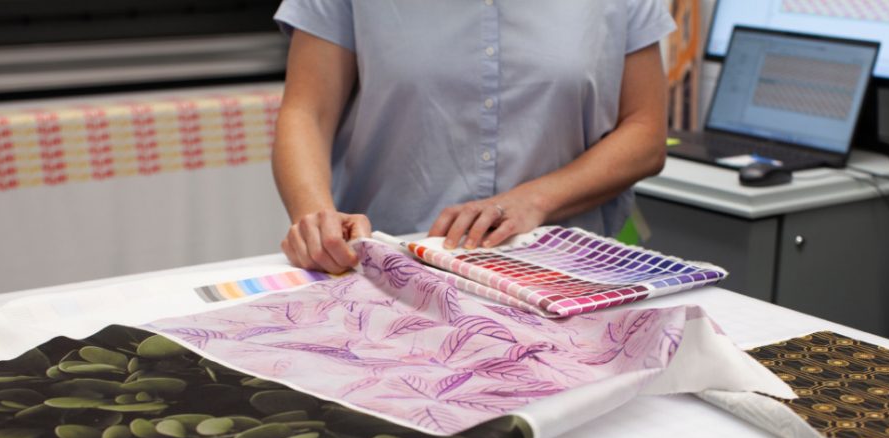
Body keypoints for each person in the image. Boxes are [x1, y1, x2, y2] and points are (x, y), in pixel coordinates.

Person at [272, 1, 675, 274]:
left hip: (567, 271)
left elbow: (645, 131)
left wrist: (533, 199)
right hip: (389, 267)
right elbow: (307, 112)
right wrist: (316, 219)